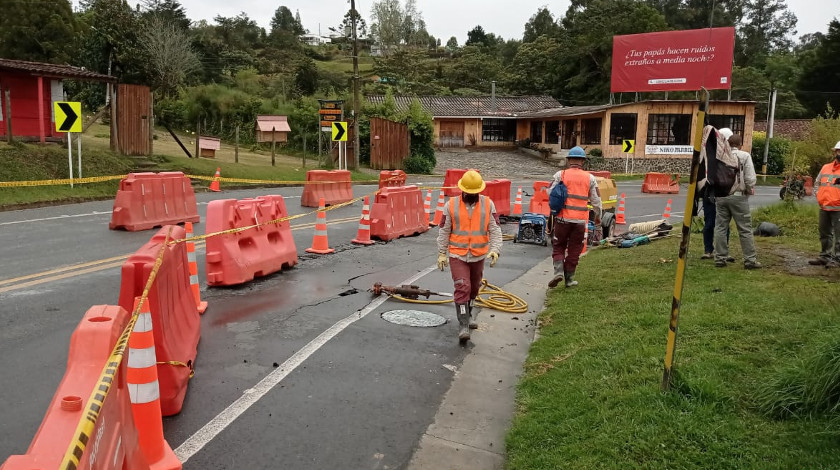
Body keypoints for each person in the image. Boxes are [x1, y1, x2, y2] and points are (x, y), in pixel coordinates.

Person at [437, 170, 502, 343]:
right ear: (462, 190)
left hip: (478, 255)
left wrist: (495, 249)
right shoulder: (451, 205)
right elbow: (444, 231)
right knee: (462, 287)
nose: (472, 195)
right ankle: (463, 324)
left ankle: (470, 313)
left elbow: (495, 230)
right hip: (458, 255)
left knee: (474, 287)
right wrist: (442, 253)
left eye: (475, 193)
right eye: (469, 192)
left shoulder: (488, 205)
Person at [547, 146, 602, 288]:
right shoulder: (590, 178)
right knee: (575, 249)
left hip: (562, 219)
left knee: (558, 246)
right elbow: (596, 200)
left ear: (569, 160)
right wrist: (598, 216)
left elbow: (549, 192)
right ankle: (569, 279)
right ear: (582, 162)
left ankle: (558, 272)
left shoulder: (561, 175)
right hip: (579, 221)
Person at [714, 133, 761, 269]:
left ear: (727, 144)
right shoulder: (744, 156)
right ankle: (749, 260)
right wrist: (749, 188)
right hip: (738, 195)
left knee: (721, 228)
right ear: (740, 144)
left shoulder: (720, 157)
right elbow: (750, 177)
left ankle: (720, 258)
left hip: (721, 195)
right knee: (745, 229)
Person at [700, 128, 732, 260]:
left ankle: (722, 250)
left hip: (722, 195)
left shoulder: (728, 156)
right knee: (710, 223)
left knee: (723, 225)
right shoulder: (709, 154)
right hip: (711, 195)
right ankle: (709, 249)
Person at [809, 141, 840, 267]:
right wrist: (819, 196)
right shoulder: (826, 167)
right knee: (824, 233)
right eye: (839, 151)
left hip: (838, 207)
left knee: (839, 235)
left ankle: (838, 259)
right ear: (835, 152)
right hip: (824, 206)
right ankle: (825, 256)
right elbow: (817, 183)